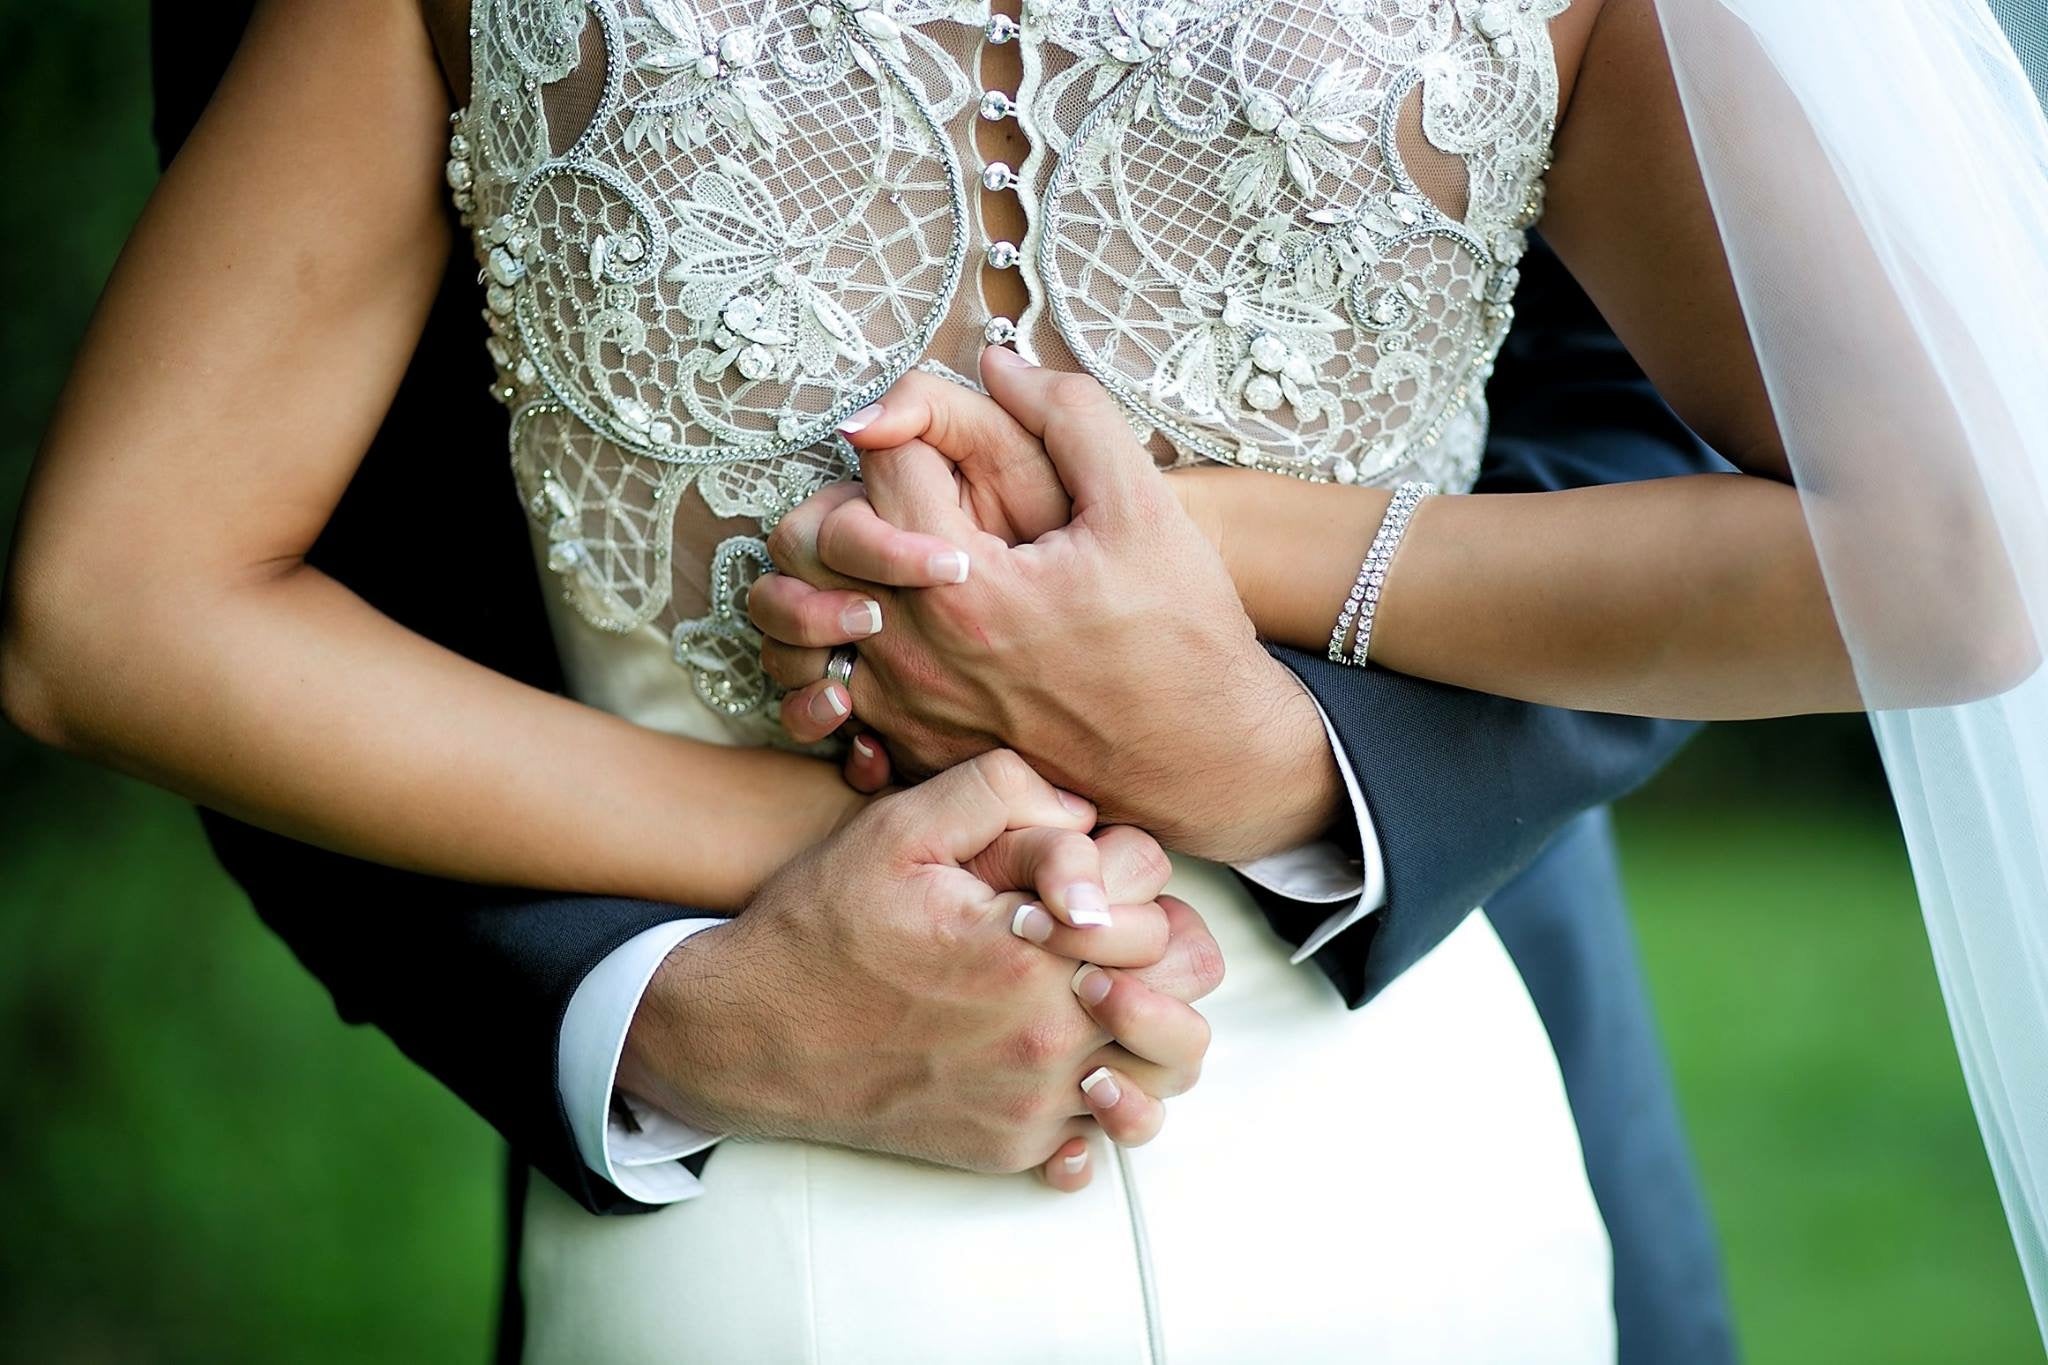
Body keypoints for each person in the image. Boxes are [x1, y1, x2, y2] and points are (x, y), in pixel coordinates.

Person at [7, 0, 2042, 1358]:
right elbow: (1963, 537)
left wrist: (1207, 592)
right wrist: (732, 927)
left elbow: (111, 599)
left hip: (1392, 1110)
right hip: (786, 1114)